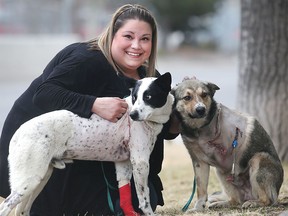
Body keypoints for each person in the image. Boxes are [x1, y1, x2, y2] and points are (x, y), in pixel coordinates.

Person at [0, 4, 178, 216]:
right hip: (40, 151)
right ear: (113, 34)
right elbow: (43, 93)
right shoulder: (86, 59)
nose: (136, 46)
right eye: (128, 36)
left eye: (145, 39)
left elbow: (163, 130)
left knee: (146, 194)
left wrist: (183, 108)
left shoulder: (147, 77)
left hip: (93, 156)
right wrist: (93, 104)